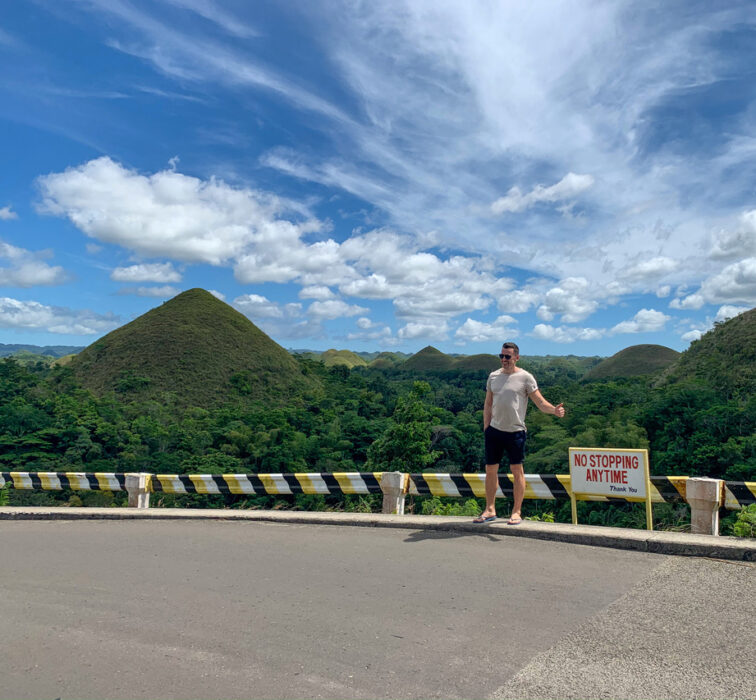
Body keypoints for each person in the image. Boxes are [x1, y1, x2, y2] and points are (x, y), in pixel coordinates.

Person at [473, 341, 565, 525]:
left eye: (508, 356)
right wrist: (487, 427)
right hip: (494, 431)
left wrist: (554, 410)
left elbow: (539, 402)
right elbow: (488, 403)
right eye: (501, 356)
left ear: (516, 357)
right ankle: (490, 509)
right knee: (491, 470)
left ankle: (516, 511)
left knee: (517, 471)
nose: (504, 360)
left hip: (515, 431)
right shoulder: (493, 377)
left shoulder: (526, 377)